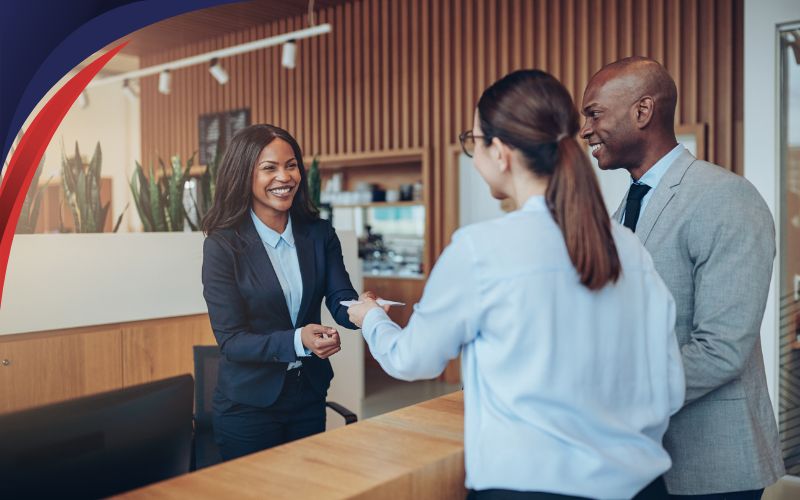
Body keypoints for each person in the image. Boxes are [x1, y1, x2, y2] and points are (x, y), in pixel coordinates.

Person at [347, 69, 685, 499]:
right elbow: (670, 386)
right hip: (642, 488)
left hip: (531, 490)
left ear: (501, 152)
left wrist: (372, 318)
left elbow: (413, 360)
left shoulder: (481, 248)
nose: (473, 155)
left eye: (473, 141)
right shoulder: (628, 247)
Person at [579, 56, 784, 498]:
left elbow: (722, 349)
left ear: (642, 111)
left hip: (712, 462)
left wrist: (613, 400)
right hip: (641, 457)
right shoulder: (623, 212)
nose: (585, 130)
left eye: (593, 113)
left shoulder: (726, 197)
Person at [201, 124, 362, 460]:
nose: (284, 177)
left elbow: (340, 296)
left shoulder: (318, 234)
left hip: (307, 395)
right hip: (248, 406)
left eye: (291, 165)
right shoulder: (223, 245)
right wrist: (298, 339)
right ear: (244, 174)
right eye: (269, 168)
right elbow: (231, 340)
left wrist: (364, 310)